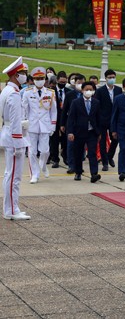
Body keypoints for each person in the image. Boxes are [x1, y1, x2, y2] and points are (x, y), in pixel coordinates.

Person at [1, 57, 31, 220]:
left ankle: (12, 208)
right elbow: (13, 120)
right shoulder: (13, 93)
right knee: (14, 176)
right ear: (15, 75)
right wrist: (18, 143)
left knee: (11, 175)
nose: (25, 76)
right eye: (22, 73)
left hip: (9, 135)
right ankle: (11, 210)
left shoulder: (8, 90)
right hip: (13, 138)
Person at [21, 67, 57, 183]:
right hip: (32, 125)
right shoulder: (27, 92)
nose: (39, 80)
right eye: (37, 79)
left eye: (41, 78)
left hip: (45, 125)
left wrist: (53, 125)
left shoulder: (50, 93)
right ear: (33, 80)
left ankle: (43, 165)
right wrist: (23, 123)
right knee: (32, 151)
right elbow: (24, 109)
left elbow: (53, 111)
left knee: (45, 150)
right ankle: (34, 174)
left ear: (45, 80)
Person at [66, 81, 102, 182]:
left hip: (92, 132)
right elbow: (71, 118)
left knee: (92, 153)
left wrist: (99, 132)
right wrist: (70, 132)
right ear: (82, 90)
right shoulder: (76, 102)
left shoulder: (96, 102)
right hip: (79, 132)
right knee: (78, 153)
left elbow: (99, 118)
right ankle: (78, 172)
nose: (88, 91)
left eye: (90, 90)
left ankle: (94, 173)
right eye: (86, 90)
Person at [94, 69, 122, 171]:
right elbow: (97, 105)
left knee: (115, 139)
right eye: (109, 77)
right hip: (102, 120)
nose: (111, 79)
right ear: (105, 79)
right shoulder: (100, 91)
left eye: (113, 77)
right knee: (102, 143)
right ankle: (105, 162)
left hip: (114, 120)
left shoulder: (118, 90)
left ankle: (109, 156)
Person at [59, 73, 84, 173]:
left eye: (82, 83)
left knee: (81, 146)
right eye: (79, 83)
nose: (81, 85)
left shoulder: (87, 94)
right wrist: (62, 124)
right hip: (71, 123)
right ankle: (71, 165)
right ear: (75, 83)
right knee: (70, 145)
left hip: (82, 124)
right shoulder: (69, 94)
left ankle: (79, 166)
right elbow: (64, 110)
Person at [49, 70, 67, 168]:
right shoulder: (50, 91)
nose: (62, 84)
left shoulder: (69, 92)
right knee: (54, 140)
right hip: (54, 119)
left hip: (65, 119)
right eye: (61, 82)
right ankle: (55, 159)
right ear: (57, 81)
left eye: (64, 82)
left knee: (65, 140)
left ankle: (65, 156)